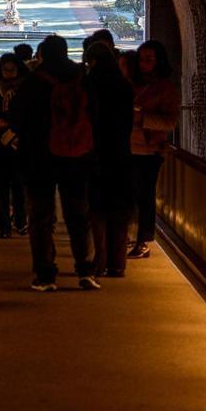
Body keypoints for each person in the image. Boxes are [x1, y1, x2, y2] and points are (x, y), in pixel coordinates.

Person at [12, 35, 99, 291]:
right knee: (79, 215)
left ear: (42, 54)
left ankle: (45, 274)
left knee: (40, 218)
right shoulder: (82, 77)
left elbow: (17, 118)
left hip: (39, 158)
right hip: (76, 156)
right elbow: (95, 113)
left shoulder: (32, 82)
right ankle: (85, 269)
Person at [83, 42, 134, 277]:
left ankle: (100, 261)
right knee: (119, 211)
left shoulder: (90, 84)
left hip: (95, 154)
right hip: (121, 154)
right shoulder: (124, 85)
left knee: (98, 211)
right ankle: (118, 263)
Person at [127, 40, 180, 259]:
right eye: (141, 59)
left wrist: (142, 118)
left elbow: (170, 121)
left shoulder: (165, 88)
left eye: (149, 59)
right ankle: (129, 235)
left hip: (150, 150)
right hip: (128, 147)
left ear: (159, 62)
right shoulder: (131, 83)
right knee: (128, 194)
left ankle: (143, 240)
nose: (144, 63)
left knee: (145, 196)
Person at [0, 53, 27, 238]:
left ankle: (20, 221)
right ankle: (3, 224)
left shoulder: (25, 87)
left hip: (18, 141)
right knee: (0, 186)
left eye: (12, 70)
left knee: (19, 185)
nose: (9, 74)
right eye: (6, 70)